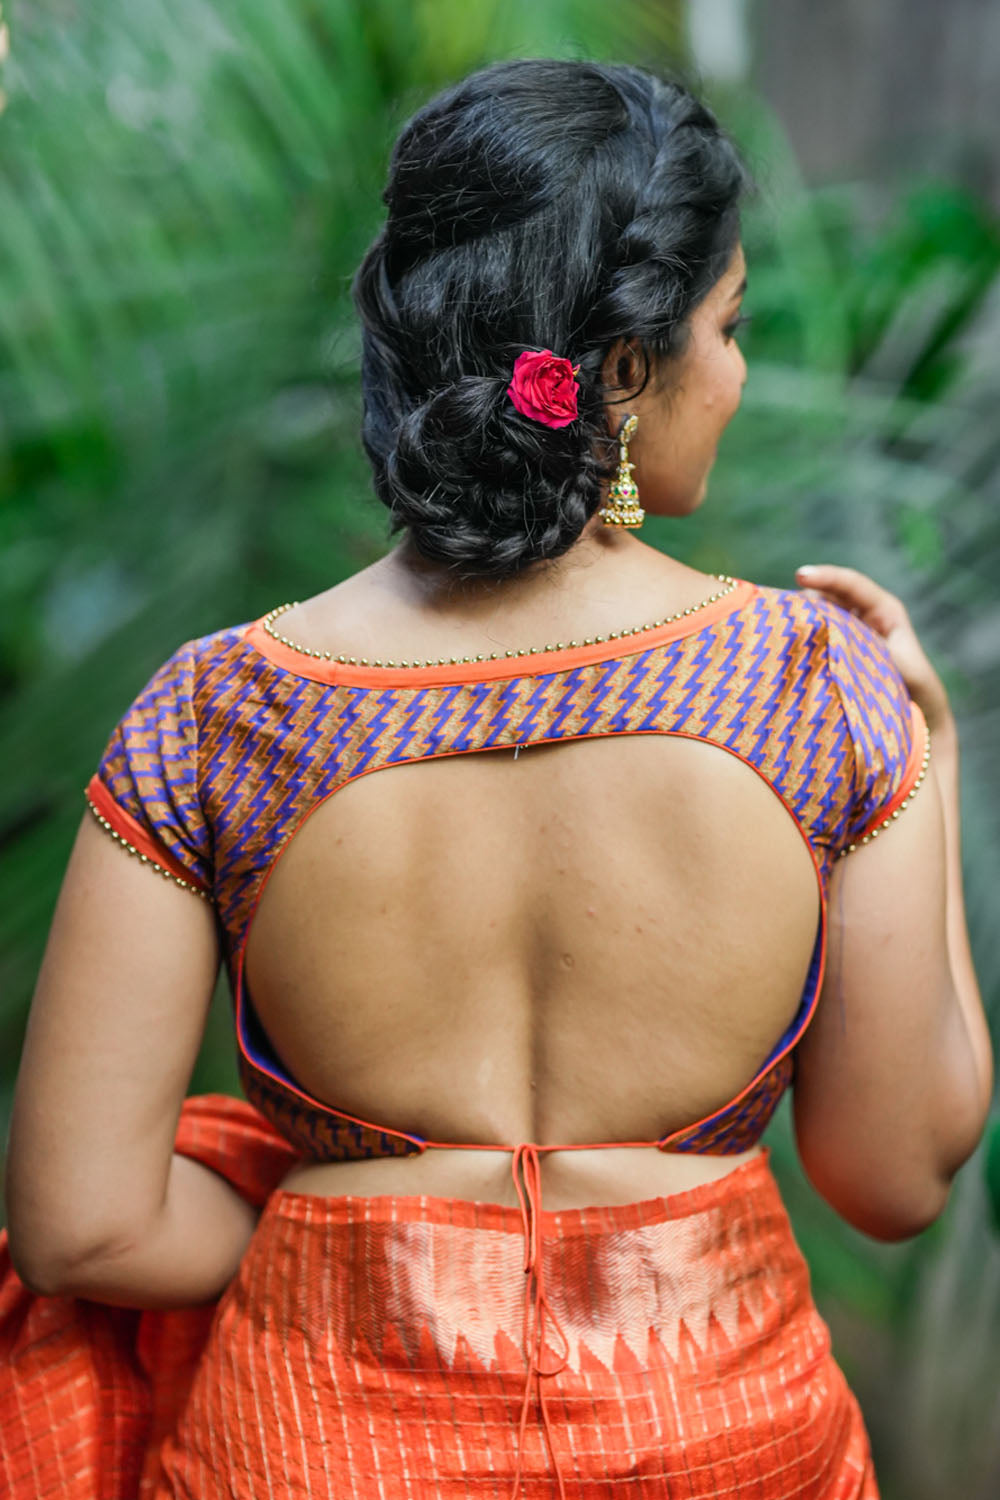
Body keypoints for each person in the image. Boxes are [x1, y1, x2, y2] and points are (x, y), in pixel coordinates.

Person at [1, 57, 991, 1500]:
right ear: (629, 370)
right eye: (730, 327)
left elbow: (80, 1227)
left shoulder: (216, 715)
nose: (744, 372)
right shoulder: (816, 691)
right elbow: (892, 1176)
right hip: (721, 1451)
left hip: (314, 1452)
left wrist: (342, 1255)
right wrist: (935, 757)